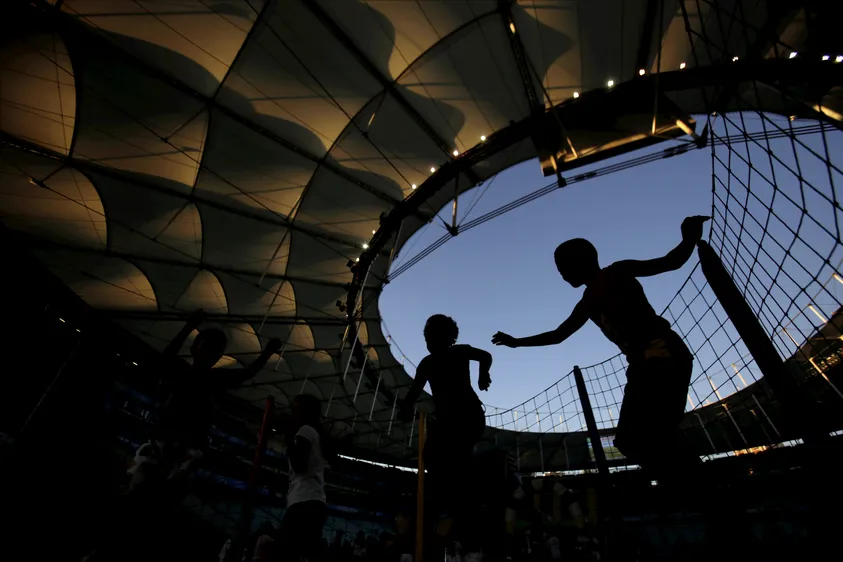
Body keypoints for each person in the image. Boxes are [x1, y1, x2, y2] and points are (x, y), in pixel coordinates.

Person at [492, 216, 709, 482]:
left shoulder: (616, 272)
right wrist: (516, 342)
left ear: (580, 263)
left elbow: (669, 262)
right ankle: (690, 484)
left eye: (563, 267)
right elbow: (560, 334)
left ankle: (694, 485)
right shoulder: (588, 300)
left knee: (644, 437)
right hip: (645, 364)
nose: (561, 273)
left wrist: (688, 239)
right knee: (639, 439)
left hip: (662, 356)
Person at [127, 308, 283, 496]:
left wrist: (267, 353)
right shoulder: (187, 371)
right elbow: (166, 359)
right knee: (147, 479)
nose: (211, 354)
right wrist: (188, 327)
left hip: (185, 441)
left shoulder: (212, 378)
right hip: (167, 437)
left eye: (216, 351)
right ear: (195, 348)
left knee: (167, 485)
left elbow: (246, 374)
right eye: (208, 348)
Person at [398, 315, 493, 551]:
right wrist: (405, 408)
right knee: (432, 456)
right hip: (451, 422)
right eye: (427, 338)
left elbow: (485, 356)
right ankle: (453, 500)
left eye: (431, 337)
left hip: (466, 418)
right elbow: (413, 392)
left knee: (450, 459)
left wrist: (483, 374)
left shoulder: (457, 353)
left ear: (447, 338)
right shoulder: (428, 363)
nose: (428, 342)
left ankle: (463, 503)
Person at [274, 394, 327, 562]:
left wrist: (289, 436)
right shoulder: (314, 433)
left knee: (287, 553)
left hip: (304, 503)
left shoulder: (305, 431)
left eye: (296, 408)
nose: (292, 412)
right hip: (312, 502)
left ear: (306, 411)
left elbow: (299, 466)